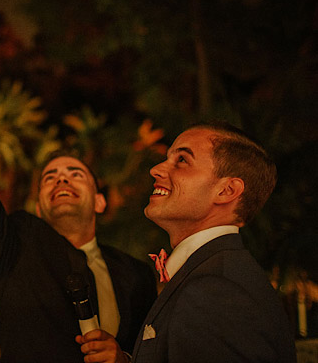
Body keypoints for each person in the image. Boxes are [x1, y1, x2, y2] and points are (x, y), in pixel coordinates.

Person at [0, 10, 156, 362]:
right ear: (39, 207)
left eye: (75, 174)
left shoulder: (136, 276)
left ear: (100, 202)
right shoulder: (13, 248)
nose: (61, 179)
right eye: (50, 178)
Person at [119, 123, 294, 362]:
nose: (156, 169)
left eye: (182, 160)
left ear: (227, 190)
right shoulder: (214, 274)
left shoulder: (216, 291)